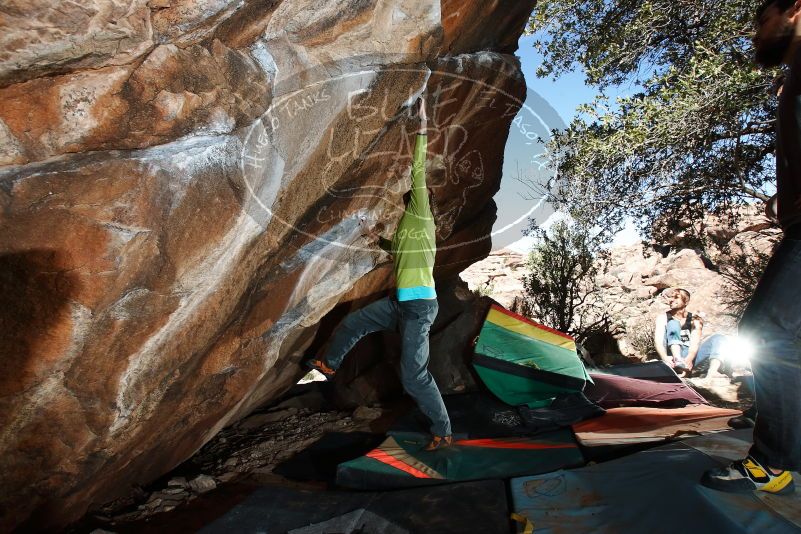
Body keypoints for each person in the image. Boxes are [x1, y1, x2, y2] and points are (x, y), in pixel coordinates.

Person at [307, 97, 453, 451]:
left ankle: (443, 430)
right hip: (399, 305)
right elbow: (397, 250)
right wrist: (377, 238)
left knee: (414, 376)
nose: (413, 195)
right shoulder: (408, 229)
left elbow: (418, 168)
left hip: (419, 309)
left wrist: (421, 122)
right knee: (354, 323)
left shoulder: (421, 215)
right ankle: (329, 364)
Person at [700, 0, 801, 496]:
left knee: (768, 331)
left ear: (795, 11)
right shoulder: (792, 77)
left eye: (761, 23)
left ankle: (772, 462)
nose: (754, 35)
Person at [653, 288, 726, 379]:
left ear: (686, 301)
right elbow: (659, 341)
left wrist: (689, 360)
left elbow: (695, 344)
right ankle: (678, 361)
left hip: (690, 359)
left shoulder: (695, 319)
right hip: (672, 360)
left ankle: (713, 372)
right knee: (673, 323)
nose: (671, 300)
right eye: (671, 298)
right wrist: (665, 358)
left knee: (718, 338)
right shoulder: (663, 318)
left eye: (676, 297)